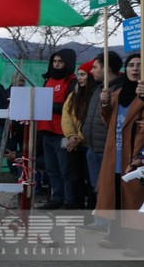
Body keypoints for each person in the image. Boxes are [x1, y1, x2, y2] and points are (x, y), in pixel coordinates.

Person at [94, 54, 144, 257]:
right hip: (115, 154)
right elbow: (108, 121)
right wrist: (104, 104)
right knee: (115, 196)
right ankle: (116, 236)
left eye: (140, 65)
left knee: (134, 198)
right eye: (131, 65)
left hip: (135, 155)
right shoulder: (118, 94)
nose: (135, 69)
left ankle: (137, 242)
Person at [80, 51, 123, 231]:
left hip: (106, 147)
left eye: (96, 67)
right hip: (92, 146)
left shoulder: (119, 90)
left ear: (107, 68)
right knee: (96, 187)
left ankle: (109, 225)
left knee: (106, 187)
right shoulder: (98, 89)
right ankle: (101, 221)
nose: (92, 71)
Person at [37, 49, 76, 210]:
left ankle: (69, 200)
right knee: (52, 169)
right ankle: (56, 198)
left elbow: (71, 107)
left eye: (60, 62)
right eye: (54, 61)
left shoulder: (72, 81)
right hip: (46, 131)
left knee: (66, 169)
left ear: (67, 63)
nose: (57, 64)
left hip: (63, 133)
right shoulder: (48, 80)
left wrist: (49, 105)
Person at [61, 60, 96, 209]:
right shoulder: (74, 94)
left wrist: (79, 138)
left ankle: (91, 211)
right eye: (78, 75)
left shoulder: (95, 94)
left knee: (91, 180)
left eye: (82, 75)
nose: (79, 78)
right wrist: (71, 136)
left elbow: (92, 120)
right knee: (75, 178)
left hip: (89, 145)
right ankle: (78, 208)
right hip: (74, 143)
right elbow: (66, 114)